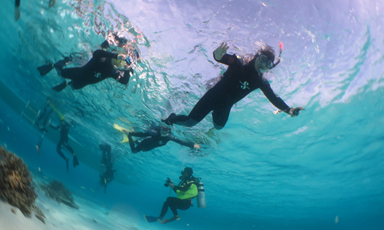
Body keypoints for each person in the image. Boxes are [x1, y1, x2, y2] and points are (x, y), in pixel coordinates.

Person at [162, 42, 304, 130]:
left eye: (268, 64)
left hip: (225, 106)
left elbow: (274, 98)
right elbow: (224, 58)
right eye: (263, 59)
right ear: (257, 56)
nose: (263, 64)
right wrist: (217, 55)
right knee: (189, 123)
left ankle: (211, 120)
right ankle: (170, 119)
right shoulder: (240, 62)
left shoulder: (261, 81)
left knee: (218, 128)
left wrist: (288, 110)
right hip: (212, 96)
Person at [37, 49, 132, 92]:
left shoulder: (113, 72)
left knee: (74, 87)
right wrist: (114, 56)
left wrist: (128, 70)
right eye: (121, 58)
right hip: (77, 73)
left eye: (123, 62)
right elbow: (97, 53)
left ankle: (68, 83)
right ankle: (54, 65)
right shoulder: (103, 57)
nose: (120, 62)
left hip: (83, 83)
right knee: (61, 73)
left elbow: (124, 81)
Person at [125, 126, 200, 153]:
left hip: (149, 147)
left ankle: (136, 141)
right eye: (163, 130)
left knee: (143, 149)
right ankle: (129, 136)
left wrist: (192, 145)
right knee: (134, 151)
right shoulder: (155, 132)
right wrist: (130, 133)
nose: (164, 132)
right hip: (146, 141)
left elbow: (181, 142)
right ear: (160, 129)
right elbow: (143, 134)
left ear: (169, 131)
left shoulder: (170, 137)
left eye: (166, 130)